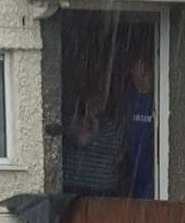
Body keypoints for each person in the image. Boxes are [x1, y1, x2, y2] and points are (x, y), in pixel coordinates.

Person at [62, 72, 123, 197]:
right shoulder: (73, 121)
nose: (96, 103)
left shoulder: (111, 126)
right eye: (91, 99)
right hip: (76, 188)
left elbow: (118, 154)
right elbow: (81, 140)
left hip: (104, 190)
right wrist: (89, 121)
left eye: (100, 99)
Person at [120, 50, 156, 200]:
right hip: (133, 171)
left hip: (153, 174)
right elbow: (124, 133)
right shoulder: (130, 101)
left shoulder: (159, 100)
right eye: (135, 76)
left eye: (144, 74)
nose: (139, 80)